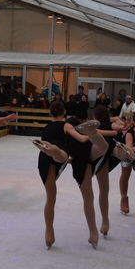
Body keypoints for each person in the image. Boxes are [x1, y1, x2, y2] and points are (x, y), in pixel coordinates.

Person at [64, 118, 109, 248]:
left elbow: (64, 153)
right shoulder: (70, 130)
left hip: (85, 156)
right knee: (103, 147)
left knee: (89, 198)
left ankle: (93, 231)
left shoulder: (68, 130)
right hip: (83, 159)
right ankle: (95, 229)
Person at [92, 106, 134, 237]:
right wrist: (119, 128)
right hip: (110, 152)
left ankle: (105, 220)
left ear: (95, 117)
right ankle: (124, 152)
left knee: (104, 191)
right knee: (104, 190)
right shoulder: (111, 123)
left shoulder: (97, 125)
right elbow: (117, 125)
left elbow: (114, 125)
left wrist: (119, 127)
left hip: (101, 156)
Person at [32, 101, 70, 249]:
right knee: (60, 155)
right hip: (58, 156)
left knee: (51, 198)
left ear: (50, 113)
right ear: (64, 112)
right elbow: (76, 138)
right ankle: (54, 150)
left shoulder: (46, 128)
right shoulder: (66, 125)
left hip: (44, 161)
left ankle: (49, 229)